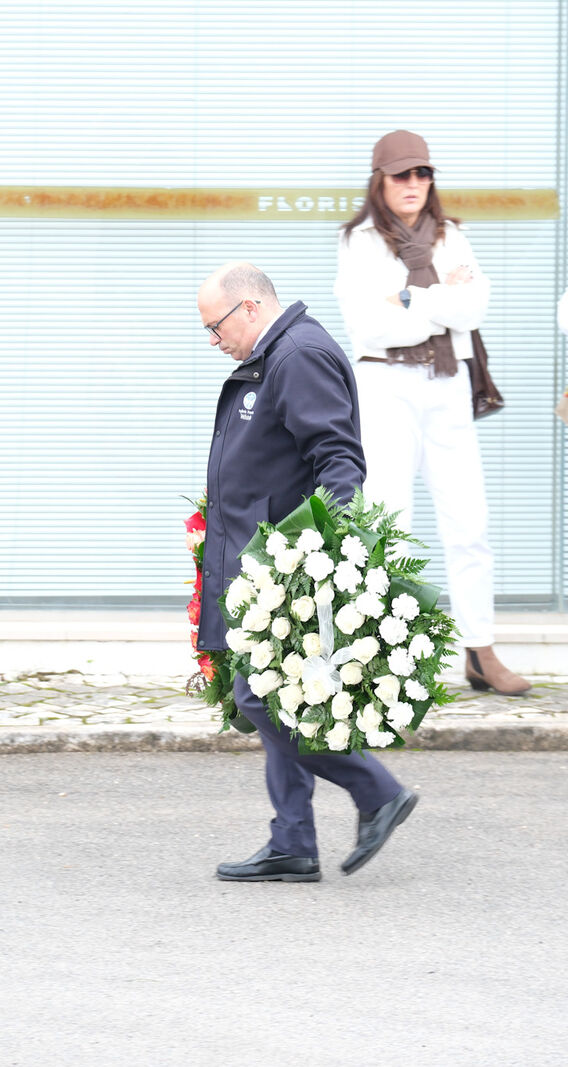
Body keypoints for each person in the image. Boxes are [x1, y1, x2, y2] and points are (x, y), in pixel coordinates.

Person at [196, 261, 418, 882]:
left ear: (248, 309)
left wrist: (318, 560)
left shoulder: (297, 356)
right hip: (257, 564)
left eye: (215, 328)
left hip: (286, 572)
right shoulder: (274, 357)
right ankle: (293, 841)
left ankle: (375, 790)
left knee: (264, 698)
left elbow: (340, 461)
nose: (214, 342)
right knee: (276, 695)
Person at [334, 130, 530, 697]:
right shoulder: (359, 241)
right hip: (385, 383)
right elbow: (368, 326)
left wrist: (411, 298)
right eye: (401, 174)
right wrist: (441, 300)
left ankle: (480, 650)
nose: (413, 184)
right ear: (380, 180)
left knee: (470, 522)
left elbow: (476, 308)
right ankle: (384, 656)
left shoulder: (452, 236)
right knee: (390, 523)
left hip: (446, 383)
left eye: (422, 173)